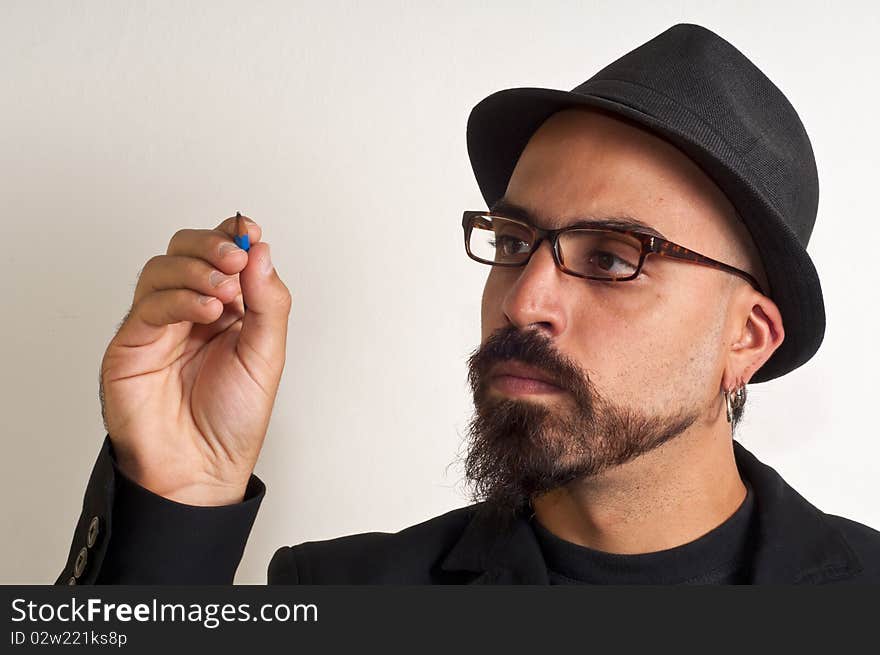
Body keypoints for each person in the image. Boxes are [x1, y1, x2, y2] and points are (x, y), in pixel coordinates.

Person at [57, 22, 879, 586]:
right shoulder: (345, 593)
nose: (525, 300)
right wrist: (178, 494)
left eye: (613, 257)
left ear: (749, 337)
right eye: (516, 241)